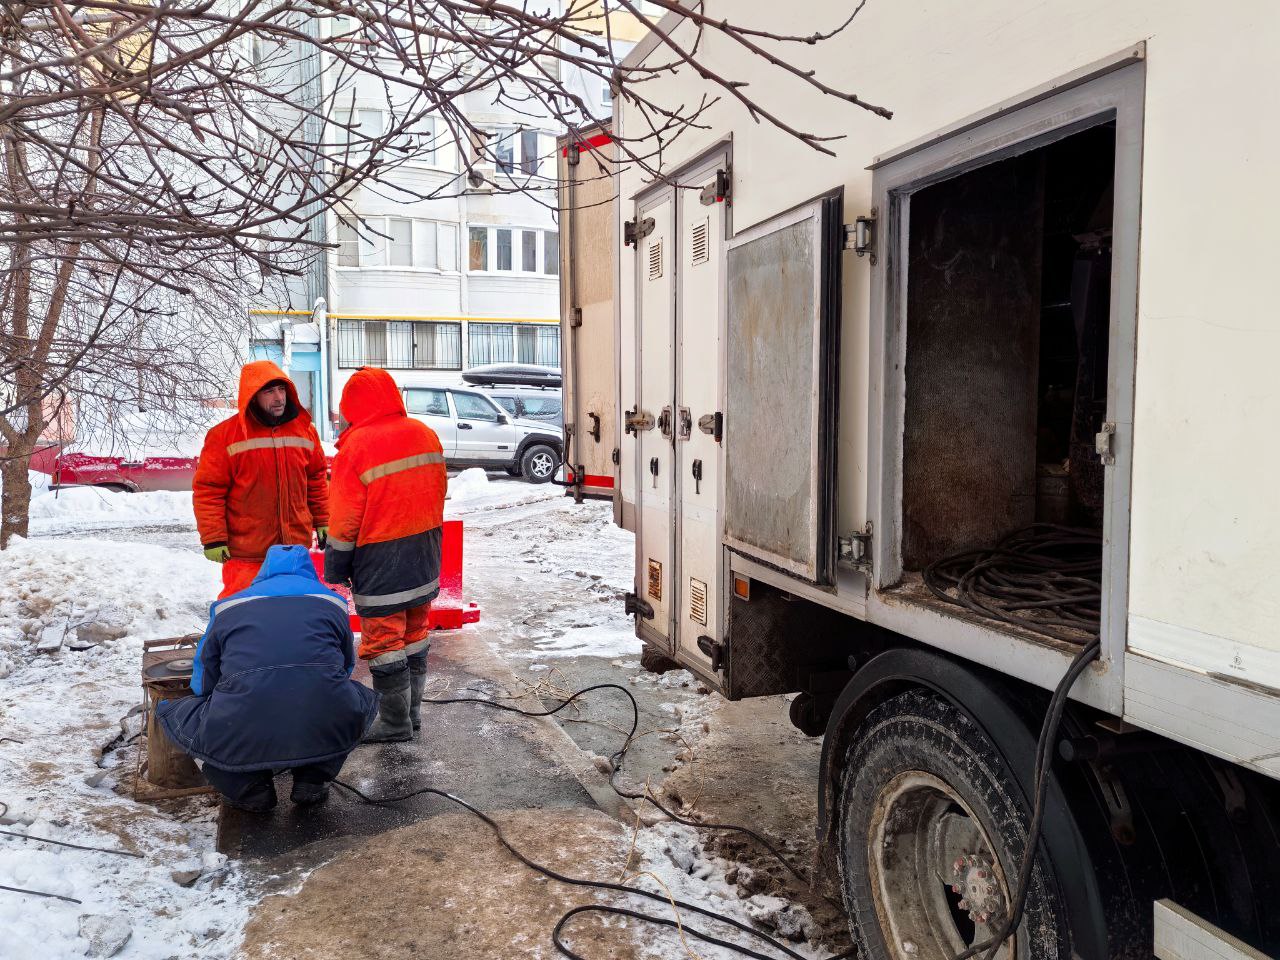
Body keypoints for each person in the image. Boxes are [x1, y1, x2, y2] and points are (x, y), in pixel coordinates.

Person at [157, 544, 377, 812]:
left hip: (240, 718)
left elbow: (204, 676)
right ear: (309, 572)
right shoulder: (334, 603)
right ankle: (314, 776)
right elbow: (344, 665)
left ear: (265, 572)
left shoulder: (228, 606)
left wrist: (217, 705)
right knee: (358, 701)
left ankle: (247, 788)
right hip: (323, 713)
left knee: (176, 717)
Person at [324, 367, 448, 743]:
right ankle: (412, 717)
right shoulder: (426, 434)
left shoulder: (356, 448)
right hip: (425, 553)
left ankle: (394, 724)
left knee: (384, 641)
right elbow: (439, 491)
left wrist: (336, 567)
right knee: (415, 632)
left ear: (354, 406)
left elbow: (345, 522)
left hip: (380, 560)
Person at [194, 360, 330, 599]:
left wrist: (323, 520)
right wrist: (214, 538)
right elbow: (209, 490)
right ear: (252, 396)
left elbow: (316, 479)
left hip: (294, 549)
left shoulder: (305, 431)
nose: (278, 398)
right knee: (242, 609)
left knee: (293, 610)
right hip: (248, 552)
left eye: (281, 390)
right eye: (269, 391)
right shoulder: (224, 436)